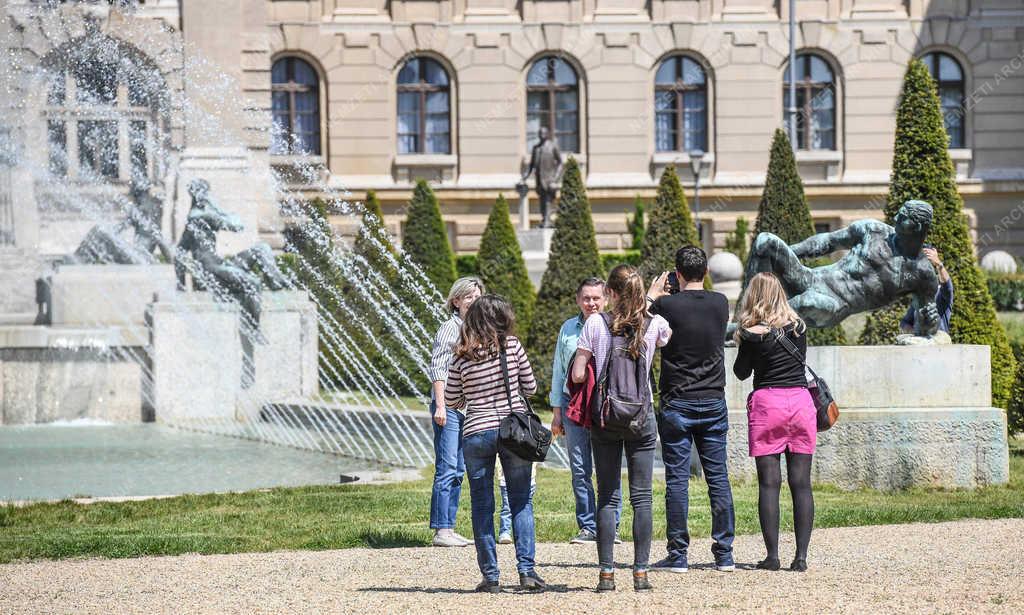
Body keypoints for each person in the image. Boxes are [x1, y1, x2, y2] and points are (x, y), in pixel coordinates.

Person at [572, 265, 671, 592]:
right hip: (641, 418)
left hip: (606, 417)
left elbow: (577, 375)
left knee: (608, 497)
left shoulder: (595, 324)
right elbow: (666, 336)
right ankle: (641, 573)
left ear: (610, 293)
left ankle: (606, 575)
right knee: (642, 498)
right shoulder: (655, 324)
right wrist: (650, 302)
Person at [445, 294, 545, 593]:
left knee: (481, 504)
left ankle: (491, 576)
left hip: (476, 431)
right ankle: (527, 572)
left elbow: (451, 399)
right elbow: (531, 386)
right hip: (511, 430)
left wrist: (473, 395)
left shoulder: (461, 354)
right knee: (520, 501)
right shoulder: (511, 346)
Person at [647, 246, 736, 574]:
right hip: (713, 398)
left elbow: (639, 325)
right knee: (718, 478)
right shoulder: (721, 303)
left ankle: (678, 553)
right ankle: (724, 553)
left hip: (678, 399)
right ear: (707, 272)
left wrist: (653, 294)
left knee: (677, 480)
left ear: (677, 274)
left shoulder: (666, 305)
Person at [742, 200, 941, 335]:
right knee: (765, 241)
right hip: (811, 278)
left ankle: (743, 331)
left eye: (903, 216)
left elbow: (925, 327)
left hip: (834, 305)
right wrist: (786, 254)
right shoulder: (874, 230)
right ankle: (744, 317)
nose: (896, 218)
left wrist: (930, 321)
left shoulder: (922, 273)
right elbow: (827, 241)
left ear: (917, 227)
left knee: (808, 301)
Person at [733, 272, 817, 572]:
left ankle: (772, 556)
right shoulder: (799, 327)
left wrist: (746, 341)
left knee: (769, 484)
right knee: (801, 484)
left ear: (752, 296)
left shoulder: (752, 333)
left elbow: (741, 373)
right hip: (800, 402)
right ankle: (801, 557)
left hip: (768, 404)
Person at [550, 277, 622, 545]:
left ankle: (611, 525)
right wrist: (556, 411)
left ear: (606, 299)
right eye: (586, 298)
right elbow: (558, 371)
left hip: (604, 405)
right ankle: (588, 526)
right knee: (580, 468)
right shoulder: (568, 328)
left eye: (596, 298)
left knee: (609, 468)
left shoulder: (614, 325)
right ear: (578, 300)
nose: (591, 303)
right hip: (573, 405)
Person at [427, 276, 484, 548]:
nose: (473, 301)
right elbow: (438, 368)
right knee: (447, 467)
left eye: (477, 295)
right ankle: (441, 529)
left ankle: (449, 527)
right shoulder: (450, 328)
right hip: (448, 407)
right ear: (456, 301)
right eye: (468, 296)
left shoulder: (476, 329)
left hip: (465, 408)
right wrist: (441, 406)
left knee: (459, 468)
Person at [900, 246, 953, 334]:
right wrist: (915, 333)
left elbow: (947, 286)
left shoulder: (941, 293)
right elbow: (904, 322)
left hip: (938, 344)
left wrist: (939, 264)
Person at [498, 464, 537, 545]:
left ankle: (524, 535)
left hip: (528, 480)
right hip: (506, 480)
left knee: (524, 509)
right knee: (507, 507)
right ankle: (505, 532)